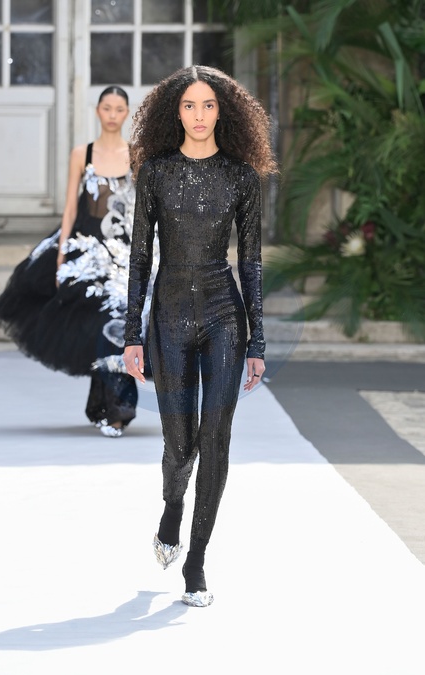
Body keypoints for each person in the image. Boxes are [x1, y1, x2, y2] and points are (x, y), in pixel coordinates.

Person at [123, 65, 277, 606]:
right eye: (189, 105)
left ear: (223, 111)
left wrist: (257, 341)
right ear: (175, 112)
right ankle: (172, 506)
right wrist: (132, 334)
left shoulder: (241, 177)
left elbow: (251, 263)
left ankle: (196, 562)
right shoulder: (156, 173)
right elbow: (140, 258)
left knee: (216, 439)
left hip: (222, 318)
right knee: (179, 443)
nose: (199, 115)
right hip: (167, 318)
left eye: (209, 105)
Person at [0, 86, 158, 437]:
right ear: (98, 111)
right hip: (87, 247)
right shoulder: (82, 153)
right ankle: (106, 406)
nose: (112, 115)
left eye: (119, 109)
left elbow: (145, 206)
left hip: (124, 249)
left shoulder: (137, 155)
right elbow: (69, 208)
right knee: (98, 324)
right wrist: (62, 254)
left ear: (127, 113)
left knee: (120, 322)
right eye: (107, 108)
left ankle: (116, 408)